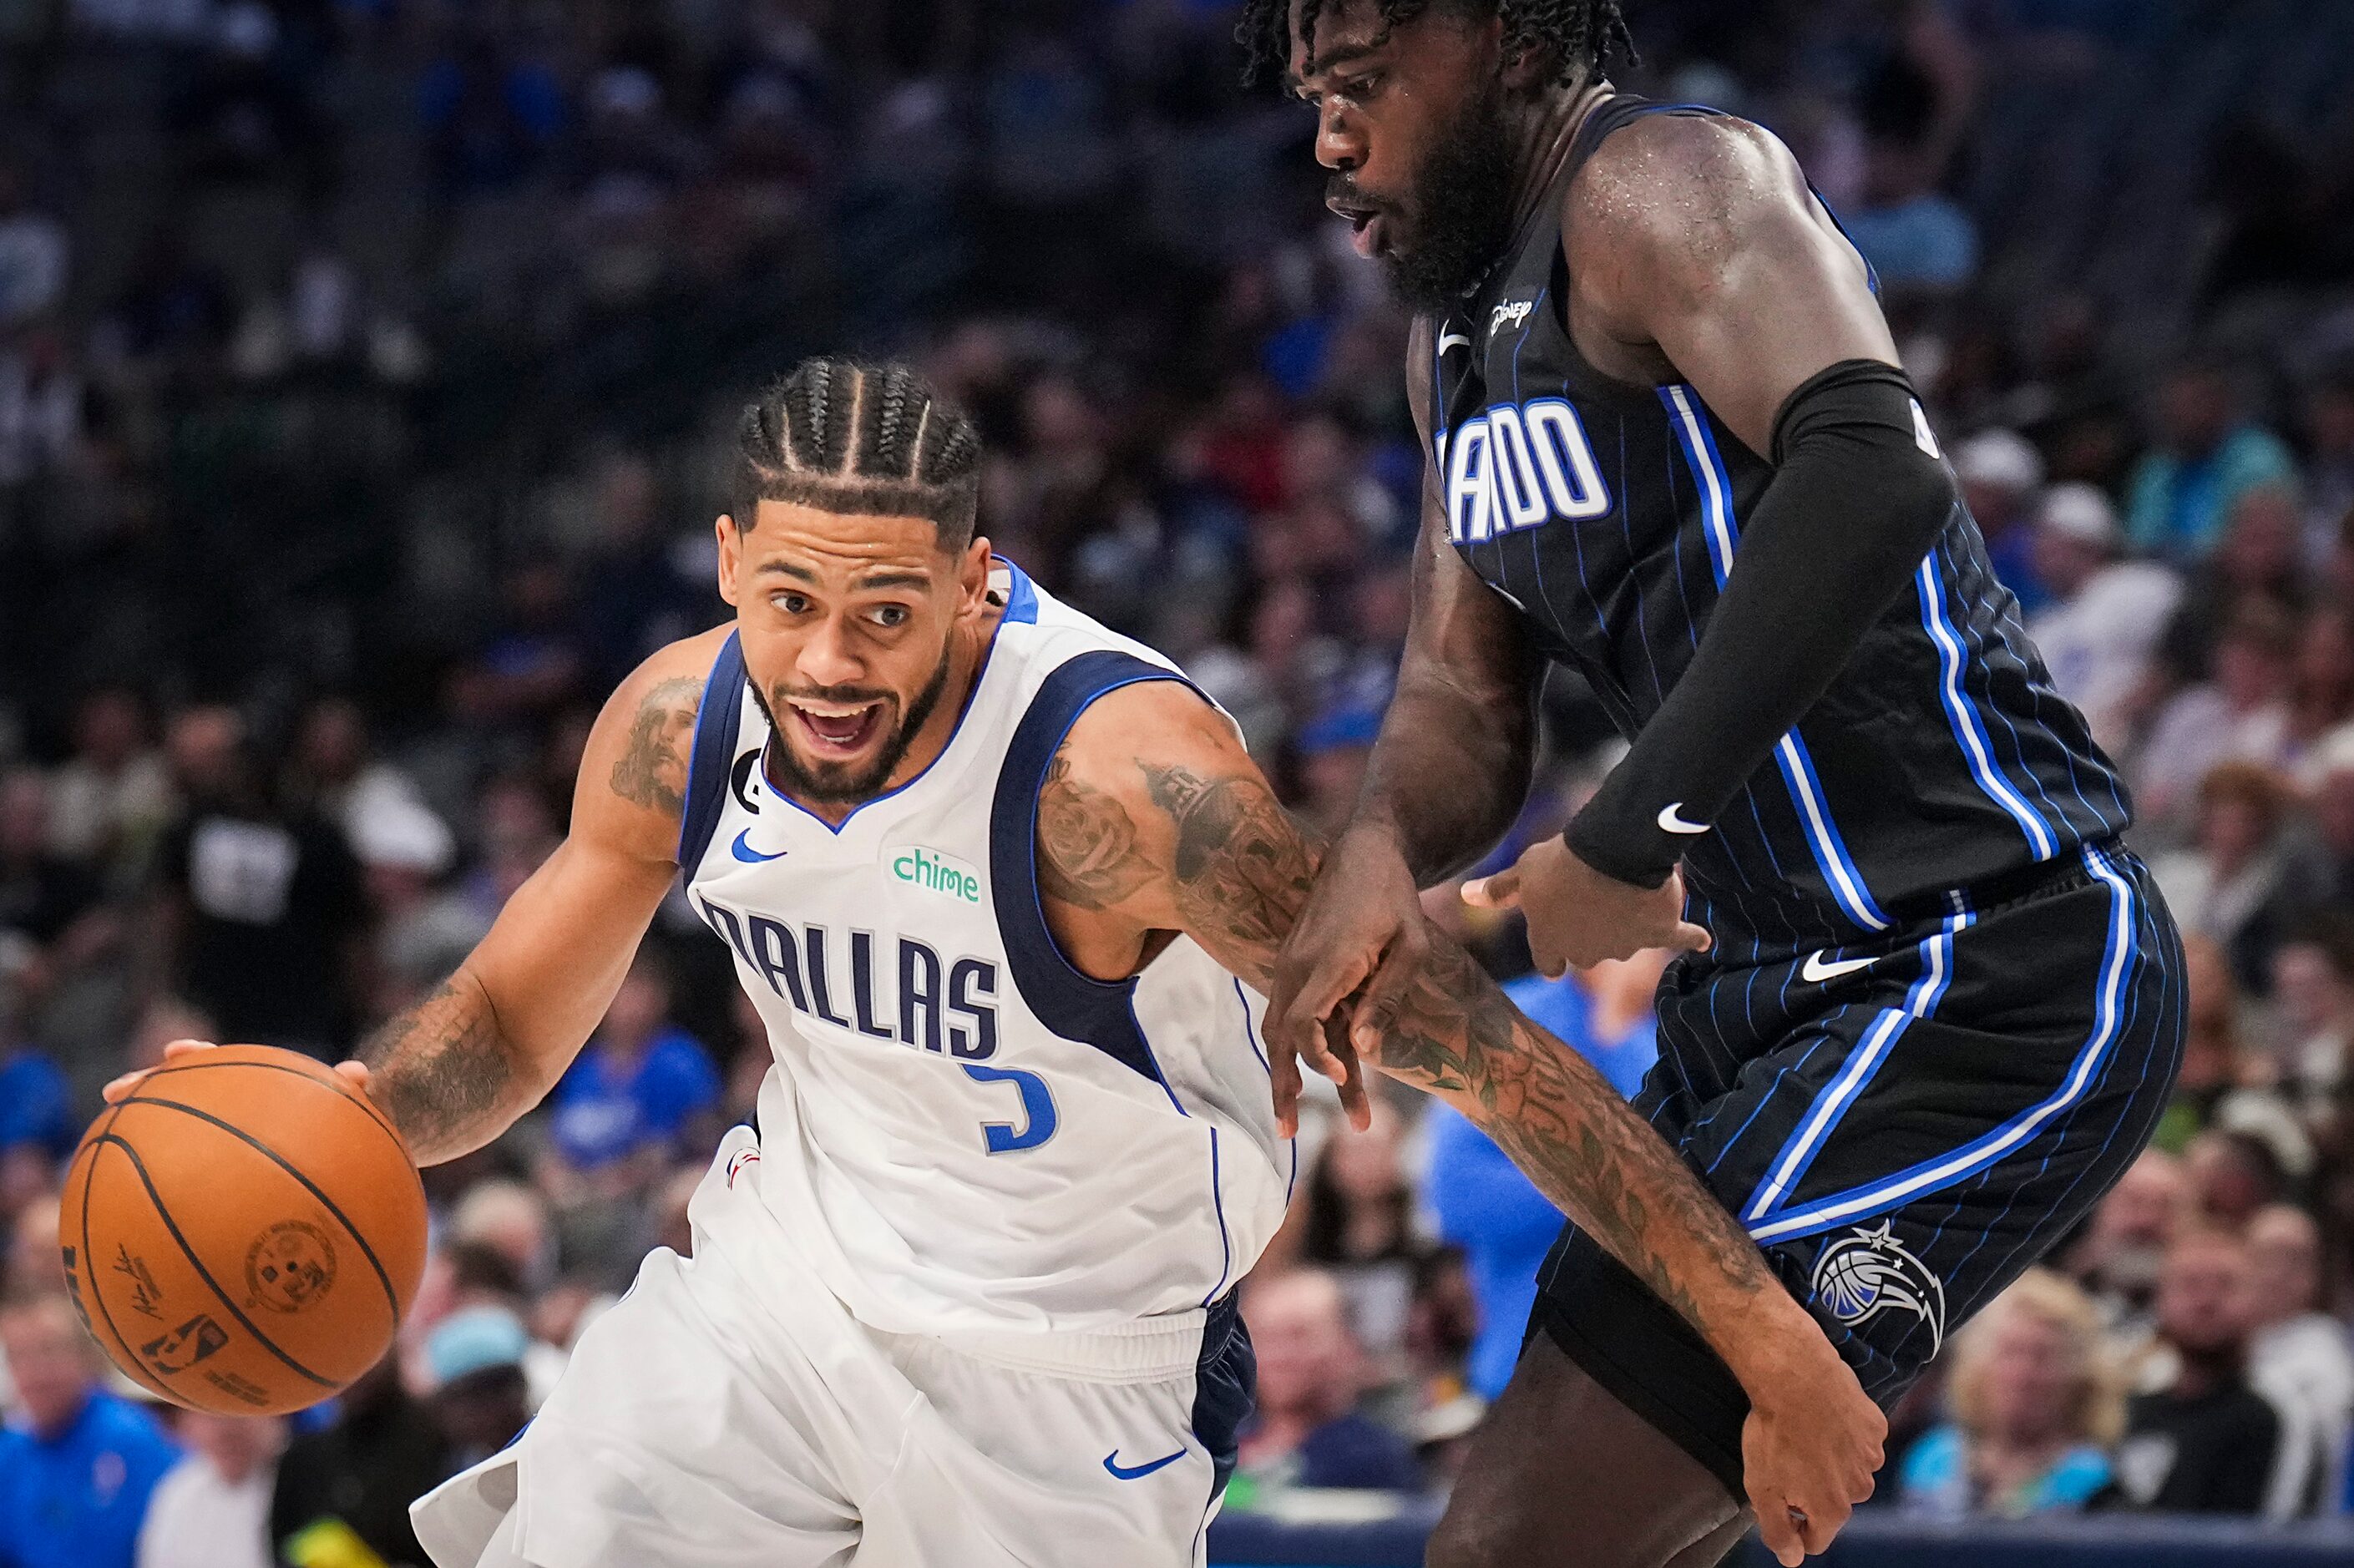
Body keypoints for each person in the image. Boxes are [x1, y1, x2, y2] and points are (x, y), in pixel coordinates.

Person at [115, 358, 1876, 1566]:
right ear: (727, 564)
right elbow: (502, 1023)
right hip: (778, 1294)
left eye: (884, 610)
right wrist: (330, 1111)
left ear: (976, 583)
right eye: (787, 598)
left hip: (1071, 1373)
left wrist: (1775, 1356)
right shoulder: (674, 724)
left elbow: (1484, 1062)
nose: (824, 659)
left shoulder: (1125, 787)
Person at [1248, 3, 2184, 1564]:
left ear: (1500, 40)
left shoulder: (1660, 185)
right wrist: (1373, 854)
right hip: (1756, 989)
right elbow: (1457, 693)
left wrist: (1624, 833)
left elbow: (1870, 465)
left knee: (1514, 1545)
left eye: (1357, 89)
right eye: (1309, 102)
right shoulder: (1452, 347)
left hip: (1981, 957)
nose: (1330, 145)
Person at [1896, 1269, 2120, 1520]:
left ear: (2080, 1376)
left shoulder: (2093, 1480)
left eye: (2042, 1356)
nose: (2023, 1375)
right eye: (2010, 1353)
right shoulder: (1933, 1460)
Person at [2102, 1227, 2284, 1515]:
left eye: (2225, 1284)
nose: (2206, 1300)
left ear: (2256, 1300)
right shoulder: (2131, 1411)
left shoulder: (2277, 1415)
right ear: (2160, 1300)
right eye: (2190, 1284)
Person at [0, 1290, 182, 1568]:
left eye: (48, 1351)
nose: (35, 1372)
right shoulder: (10, 1455)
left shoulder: (134, 1441)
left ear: (85, 1356)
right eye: (19, 1357)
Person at [1234, 1267, 1423, 1492]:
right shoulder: (1213, 1448)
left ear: (1348, 1346)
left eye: (1298, 1336)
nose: (1278, 1357)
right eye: (1263, 1336)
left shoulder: (1373, 1460)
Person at [136, 1413, 285, 1568]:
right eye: (212, 1417)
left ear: (277, 1415)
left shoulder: (301, 1482)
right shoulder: (177, 1493)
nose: (225, 1432)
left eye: (237, 1415)